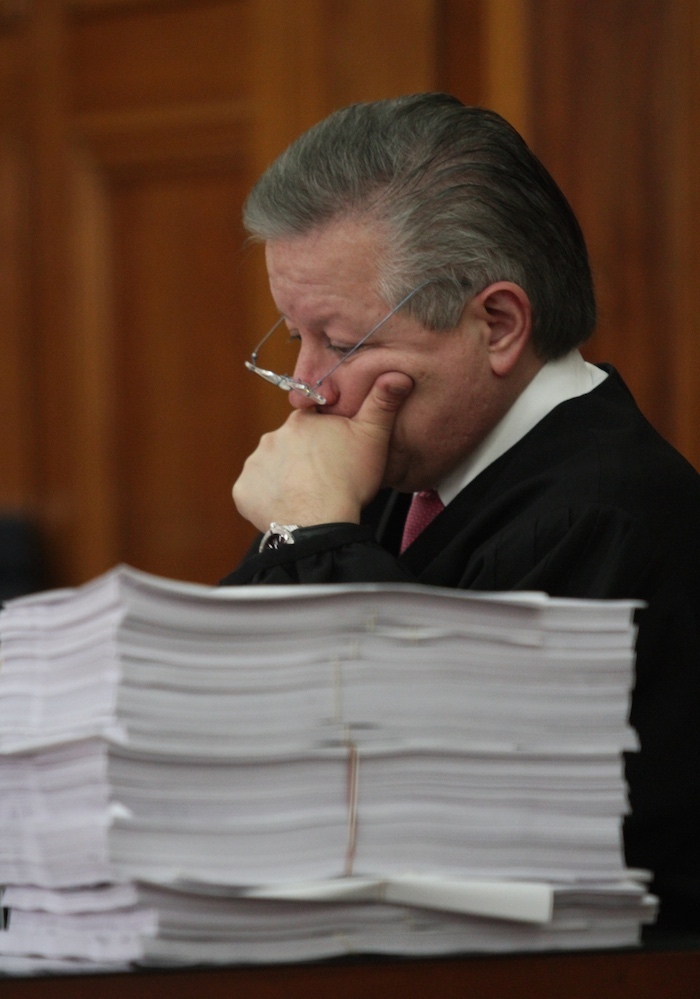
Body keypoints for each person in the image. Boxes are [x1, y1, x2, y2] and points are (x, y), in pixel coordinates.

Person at [221, 93, 700, 929]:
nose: (306, 388)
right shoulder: (395, 474)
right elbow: (219, 733)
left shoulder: (607, 514)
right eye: (296, 338)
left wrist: (313, 536)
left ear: (499, 324)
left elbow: (429, 804)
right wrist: (307, 532)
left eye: (342, 343)